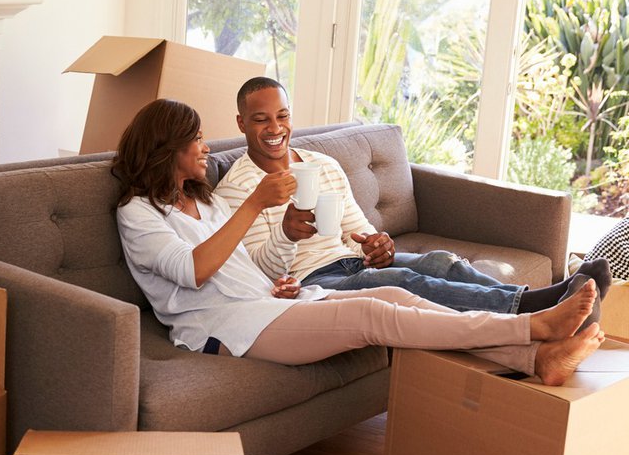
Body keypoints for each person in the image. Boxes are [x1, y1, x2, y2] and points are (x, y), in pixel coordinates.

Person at [112, 98, 604, 387]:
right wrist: (256, 205)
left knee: (394, 295)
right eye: (195, 139)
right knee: (373, 315)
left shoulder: (203, 200)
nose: (205, 146)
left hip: (267, 303)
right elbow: (194, 270)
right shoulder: (137, 214)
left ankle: (536, 359)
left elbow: (244, 263)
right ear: (166, 149)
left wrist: (282, 262)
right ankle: (530, 327)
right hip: (224, 328)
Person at [214, 76, 612, 314]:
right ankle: (535, 307)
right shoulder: (237, 189)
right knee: (403, 278)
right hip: (311, 283)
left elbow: (358, 230)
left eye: (281, 116)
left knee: (439, 262)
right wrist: (286, 233)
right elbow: (261, 271)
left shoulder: (322, 165)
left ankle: (541, 297)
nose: (274, 128)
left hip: (350, 262)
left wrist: (377, 245)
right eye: (260, 119)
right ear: (241, 123)